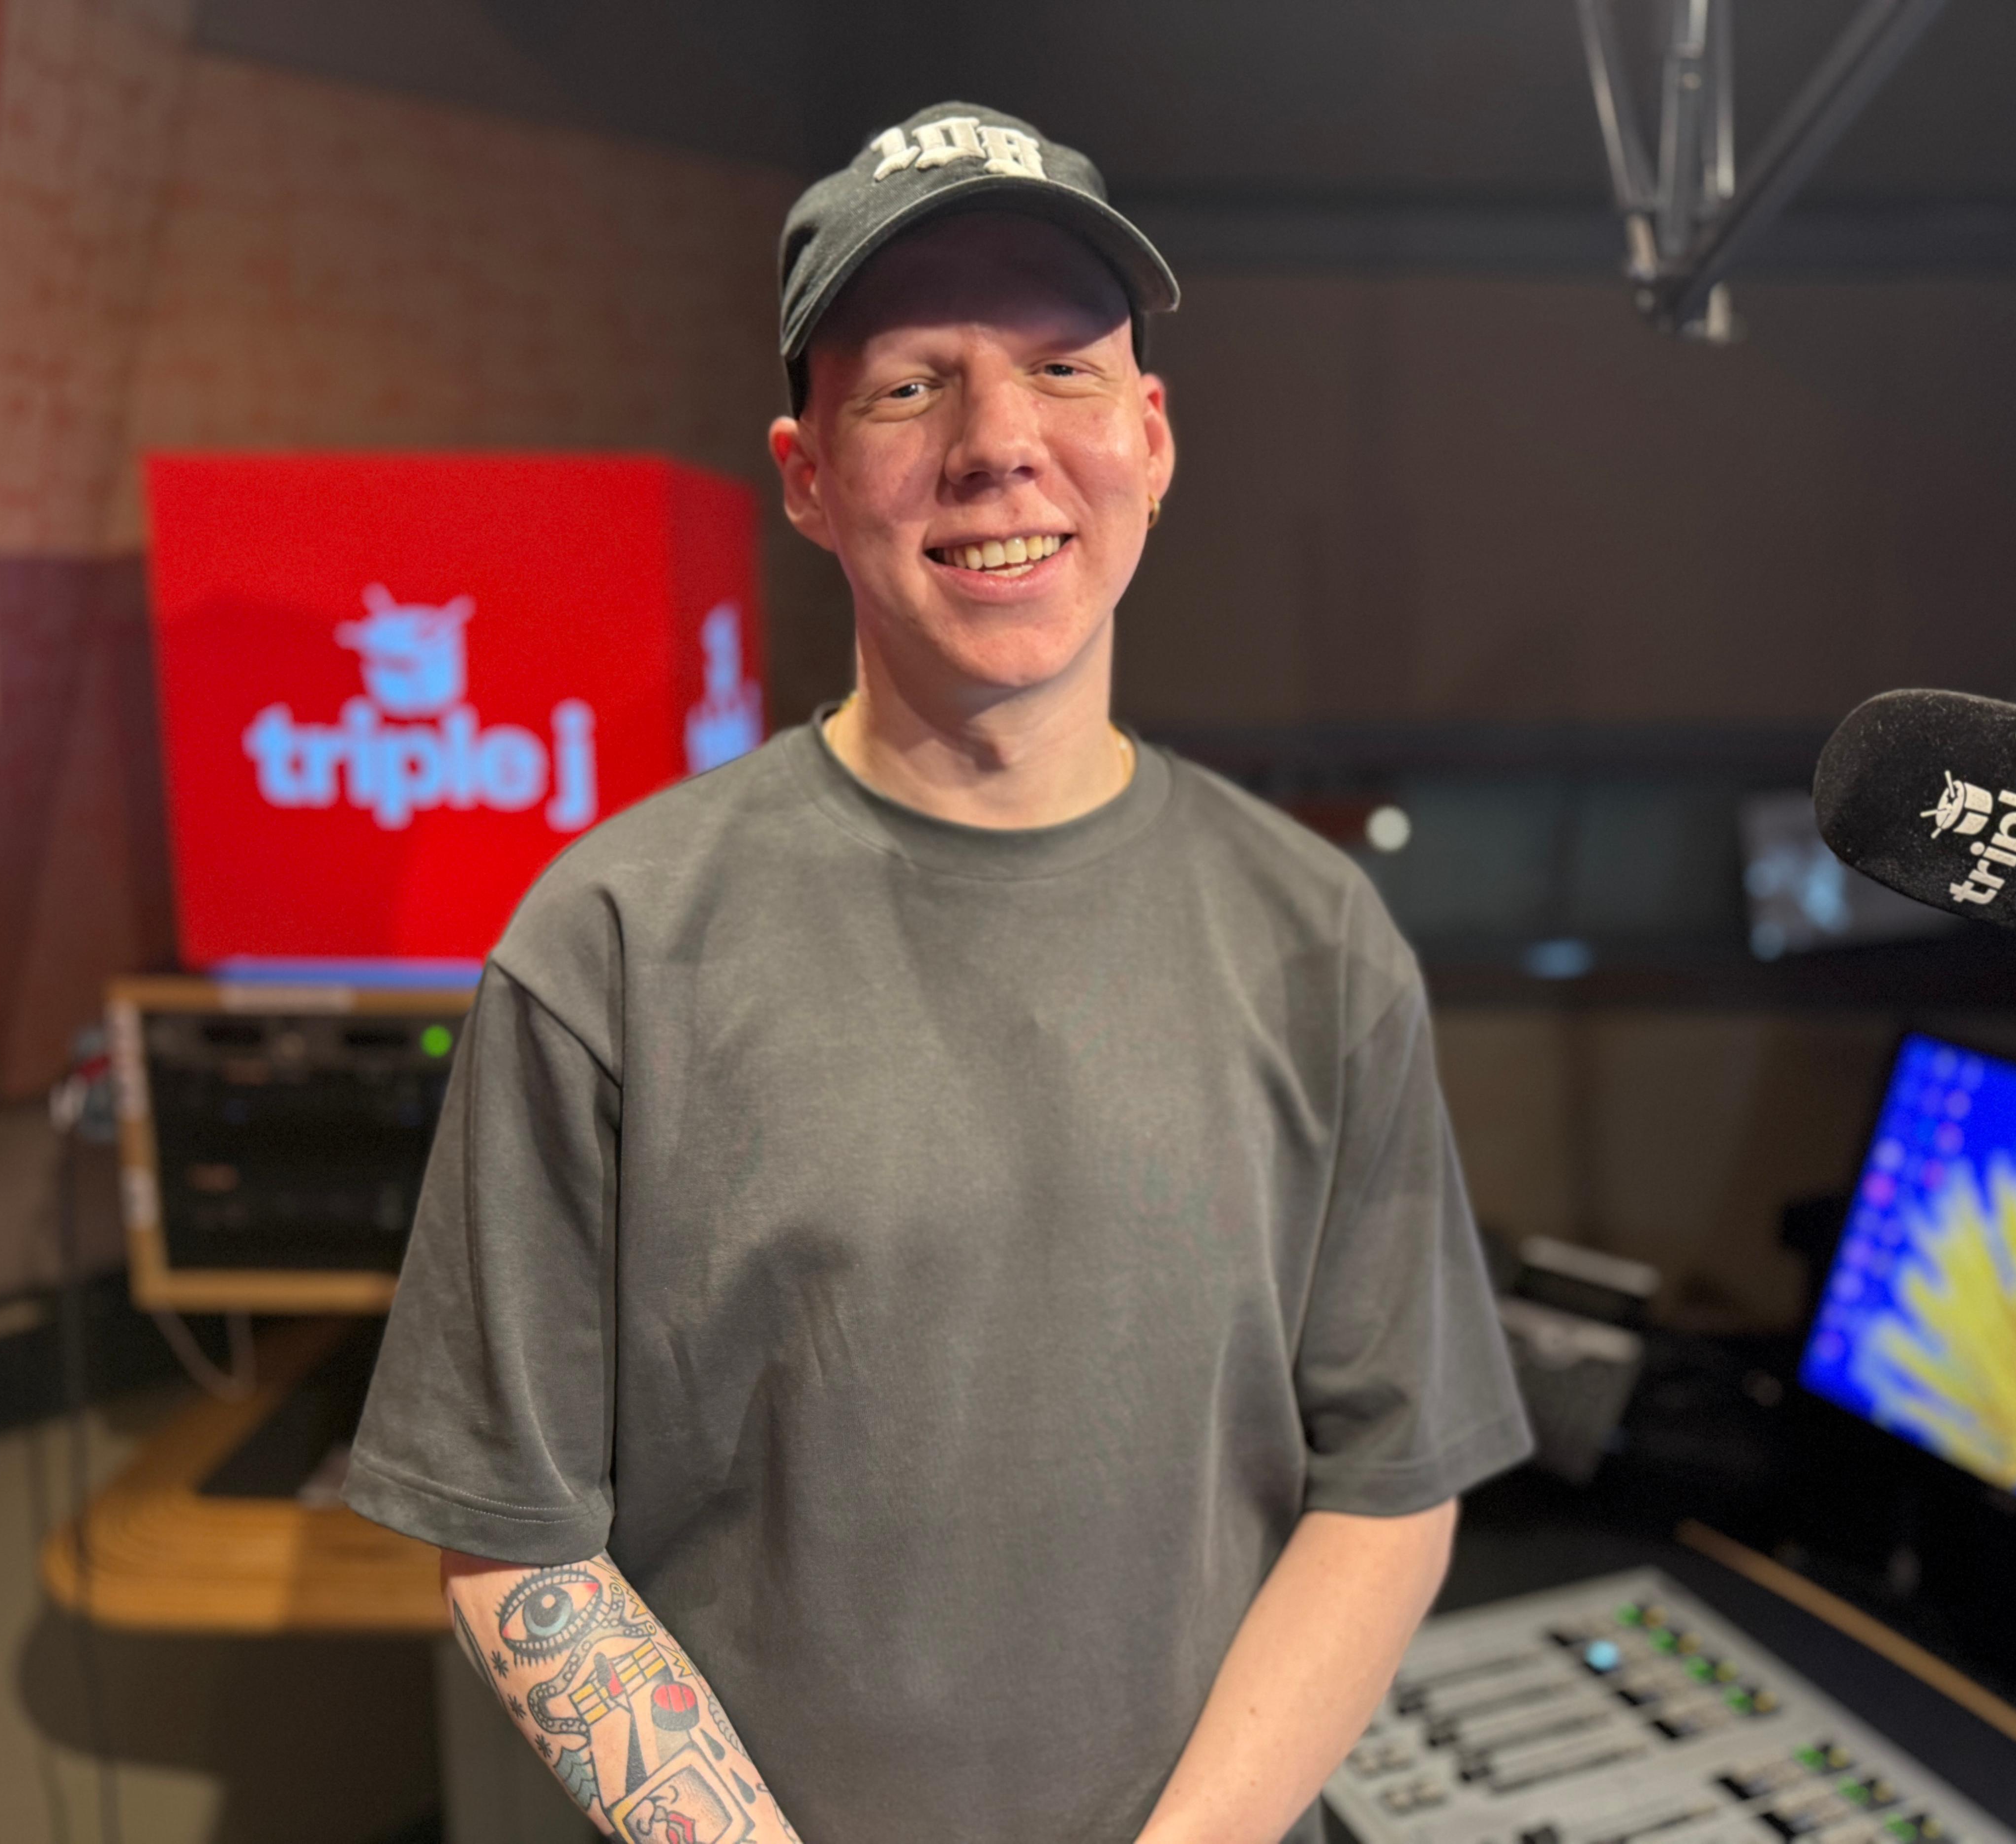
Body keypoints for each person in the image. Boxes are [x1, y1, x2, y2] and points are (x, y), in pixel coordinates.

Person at [346, 101, 1530, 1844]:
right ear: (807, 475)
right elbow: (514, 1541)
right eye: (911, 386)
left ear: (1151, 438)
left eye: (1063, 370)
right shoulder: (609, 944)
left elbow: (1390, 1481)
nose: (999, 445)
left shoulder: (1319, 935)